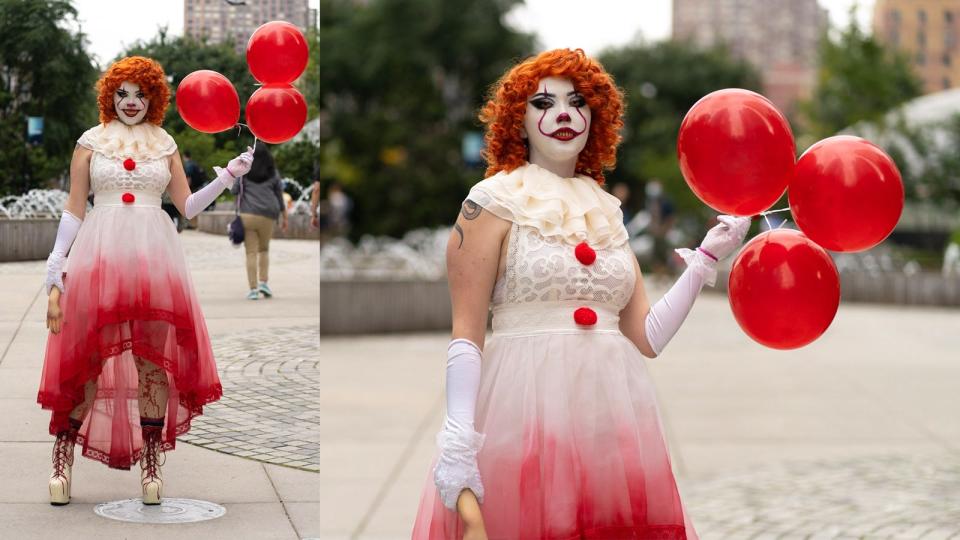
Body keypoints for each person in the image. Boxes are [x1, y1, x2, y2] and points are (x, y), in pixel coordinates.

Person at [411, 49, 750, 539]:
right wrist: (459, 444)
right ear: (517, 120)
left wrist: (706, 259)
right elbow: (466, 334)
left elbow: (647, 336)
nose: (564, 114)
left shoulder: (605, 211)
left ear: (597, 117)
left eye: (578, 102)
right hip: (522, 415)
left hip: (611, 422)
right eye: (543, 103)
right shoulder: (490, 202)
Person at [38, 56, 254, 506]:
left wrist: (228, 176)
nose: (131, 102)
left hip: (156, 261)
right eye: (122, 93)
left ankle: (152, 462)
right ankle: (63, 455)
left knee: (153, 362)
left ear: (154, 96)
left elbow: (188, 207)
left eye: (140, 93)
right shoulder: (90, 142)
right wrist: (56, 266)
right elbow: (75, 208)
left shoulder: (166, 143)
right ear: (109, 95)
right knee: (88, 359)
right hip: (101, 257)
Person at [230, 143, 288, 300]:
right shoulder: (273, 173)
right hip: (269, 214)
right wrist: (285, 216)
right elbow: (279, 195)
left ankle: (253, 289)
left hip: (248, 215)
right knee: (264, 250)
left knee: (251, 252)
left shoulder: (244, 171)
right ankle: (264, 283)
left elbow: (235, 190)